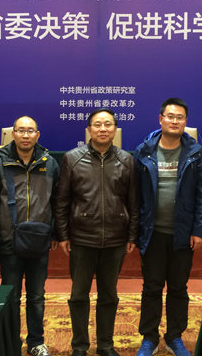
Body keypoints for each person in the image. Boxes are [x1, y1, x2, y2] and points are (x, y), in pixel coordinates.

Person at [55, 108, 139, 356]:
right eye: (98, 124)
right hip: (82, 238)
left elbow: (134, 202)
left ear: (115, 129)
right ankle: (79, 346)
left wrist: (132, 234)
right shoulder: (72, 158)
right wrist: (63, 235)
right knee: (78, 296)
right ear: (89, 129)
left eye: (108, 124)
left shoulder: (126, 160)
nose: (103, 129)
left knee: (109, 296)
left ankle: (105, 344)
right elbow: (62, 200)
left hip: (115, 238)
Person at [134, 98, 202, 356]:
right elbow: (135, 194)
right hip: (152, 232)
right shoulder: (144, 151)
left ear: (185, 122)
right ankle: (150, 337)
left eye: (180, 117)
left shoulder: (196, 153)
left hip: (183, 234)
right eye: (170, 116)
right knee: (151, 287)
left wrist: (199, 230)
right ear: (161, 119)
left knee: (178, 288)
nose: (175, 121)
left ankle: (175, 336)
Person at [0, 116, 59, 356]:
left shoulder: (50, 163)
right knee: (10, 297)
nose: (26, 135)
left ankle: (36, 342)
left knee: (37, 296)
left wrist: (56, 231)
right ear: (12, 134)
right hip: (9, 240)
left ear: (38, 134)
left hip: (39, 240)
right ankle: (11, 341)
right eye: (21, 130)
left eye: (30, 131)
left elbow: (58, 202)